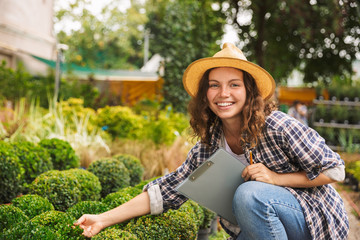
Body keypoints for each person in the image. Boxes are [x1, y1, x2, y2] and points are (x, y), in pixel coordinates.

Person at [74, 43, 349, 239]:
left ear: (249, 91)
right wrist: (103, 218)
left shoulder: (277, 125)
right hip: (264, 225)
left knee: (249, 193)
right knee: (249, 198)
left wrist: (276, 179)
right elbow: (168, 190)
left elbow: (335, 169)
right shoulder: (209, 145)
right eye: (214, 84)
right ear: (205, 92)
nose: (223, 93)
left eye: (234, 84)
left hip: (314, 222)